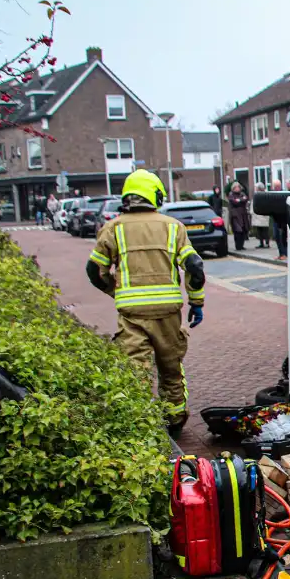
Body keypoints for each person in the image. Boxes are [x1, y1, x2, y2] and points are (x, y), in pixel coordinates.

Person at [86, 169, 206, 436]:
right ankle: (174, 422)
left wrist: (116, 292)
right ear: (155, 195)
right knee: (171, 369)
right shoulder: (173, 227)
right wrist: (196, 302)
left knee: (134, 375)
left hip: (131, 316)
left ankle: (138, 425)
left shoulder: (112, 228)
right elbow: (195, 267)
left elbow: (95, 270)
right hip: (168, 314)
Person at [273, 179, 290, 261]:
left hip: (282, 220)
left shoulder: (283, 194)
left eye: (278, 186)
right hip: (275, 218)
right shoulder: (273, 193)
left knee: (282, 237)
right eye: (275, 186)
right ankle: (281, 254)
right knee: (277, 237)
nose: (276, 188)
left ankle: (284, 254)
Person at [228, 181, 250, 250]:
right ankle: (238, 246)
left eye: (238, 187)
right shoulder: (231, 195)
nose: (238, 189)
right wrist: (240, 200)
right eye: (236, 187)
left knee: (243, 230)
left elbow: (245, 199)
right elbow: (234, 202)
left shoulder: (242, 194)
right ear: (233, 188)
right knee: (237, 231)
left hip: (243, 215)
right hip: (235, 216)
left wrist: (239, 200)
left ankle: (241, 245)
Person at [251, 182, 271, 248]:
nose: (255, 189)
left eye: (256, 187)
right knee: (259, 230)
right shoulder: (256, 194)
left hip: (263, 214)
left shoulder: (265, 195)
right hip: (258, 215)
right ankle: (261, 243)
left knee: (265, 230)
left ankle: (267, 243)